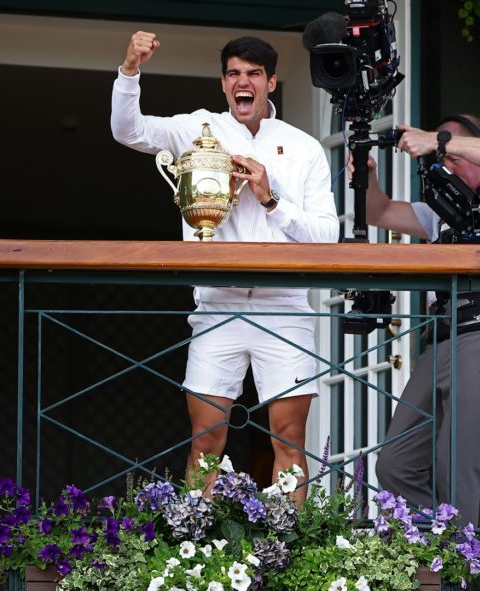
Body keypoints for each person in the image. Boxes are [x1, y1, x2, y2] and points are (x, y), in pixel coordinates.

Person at [110, 32, 340, 500]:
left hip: (285, 305)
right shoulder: (199, 127)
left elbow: (327, 236)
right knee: (206, 441)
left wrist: (270, 198)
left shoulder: (304, 147)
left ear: (271, 82)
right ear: (223, 83)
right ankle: (199, 558)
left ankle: (291, 557)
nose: (244, 82)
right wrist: (130, 68)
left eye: (254, 74)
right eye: (234, 73)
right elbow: (127, 130)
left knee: (290, 441)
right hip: (218, 303)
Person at [362, 114, 480, 525]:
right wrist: (368, 174)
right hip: (442, 339)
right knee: (394, 462)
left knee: (456, 455)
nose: (445, 162)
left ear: (477, 150)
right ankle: (430, 545)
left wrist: (436, 140)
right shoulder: (440, 209)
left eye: (453, 152)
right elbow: (380, 211)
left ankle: (460, 565)